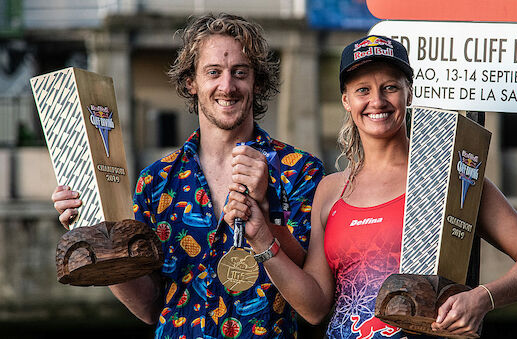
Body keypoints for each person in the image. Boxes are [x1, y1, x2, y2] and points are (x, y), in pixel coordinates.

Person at [225, 35, 517, 338]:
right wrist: (262, 238)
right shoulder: (331, 191)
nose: (377, 101)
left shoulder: (446, 175)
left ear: (408, 93)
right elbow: (314, 307)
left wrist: (482, 298)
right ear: (346, 100)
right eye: (363, 90)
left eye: (390, 87)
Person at [52, 13, 324, 338]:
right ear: (190, 83)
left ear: (257, 82)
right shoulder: (155, 181)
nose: (227, 85)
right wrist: (96, 237)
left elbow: (313, 300)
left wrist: (265, 215)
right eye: (213, 72)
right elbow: (150, 306)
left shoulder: (299, 170)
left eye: (240, 72)